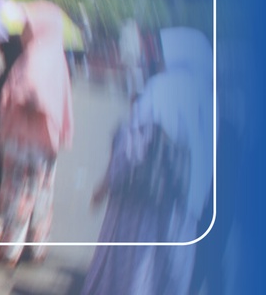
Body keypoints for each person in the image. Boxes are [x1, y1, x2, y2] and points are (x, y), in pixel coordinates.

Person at [80, 27, 212, 294]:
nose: (155, 60)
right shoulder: (205, 98)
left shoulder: (160, 90)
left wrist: (105, 185)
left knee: (131, 272)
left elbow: (131, 150)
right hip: (181, 210)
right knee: (165, 276)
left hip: (141, 203)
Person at [0, 0, 73, 266]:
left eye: (29, 25)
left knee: (17, 191)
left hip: (23, 138)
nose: (24, 30)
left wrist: (22, 98)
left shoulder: (35, 55)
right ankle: (36, 245)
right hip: (45, 141)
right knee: (40, 192)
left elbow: (31, 91)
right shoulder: (56, 55)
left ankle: (10, 248)